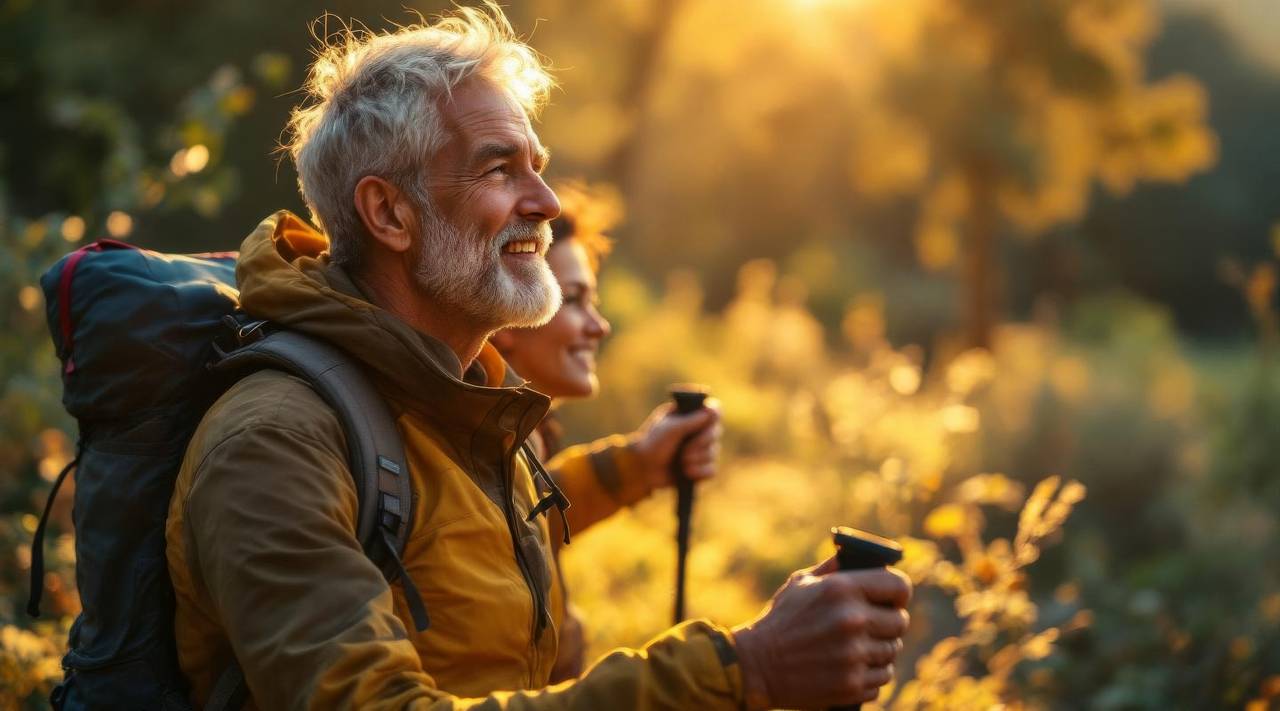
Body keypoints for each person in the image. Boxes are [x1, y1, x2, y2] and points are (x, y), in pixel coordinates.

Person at [165, 5, 912, 709]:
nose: (549, 201)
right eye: (500, 170)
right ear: (389, 213)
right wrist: (745, 668)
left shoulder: (463, 398)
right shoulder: (274, 440)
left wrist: (636, 467)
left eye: (538, 165)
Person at [490, 181, 723, 682]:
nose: (600, 326)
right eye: (574, 300)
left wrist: (641, 461)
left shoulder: (516, 439)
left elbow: (525, 520)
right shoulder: (469, 448)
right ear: (509, 314)